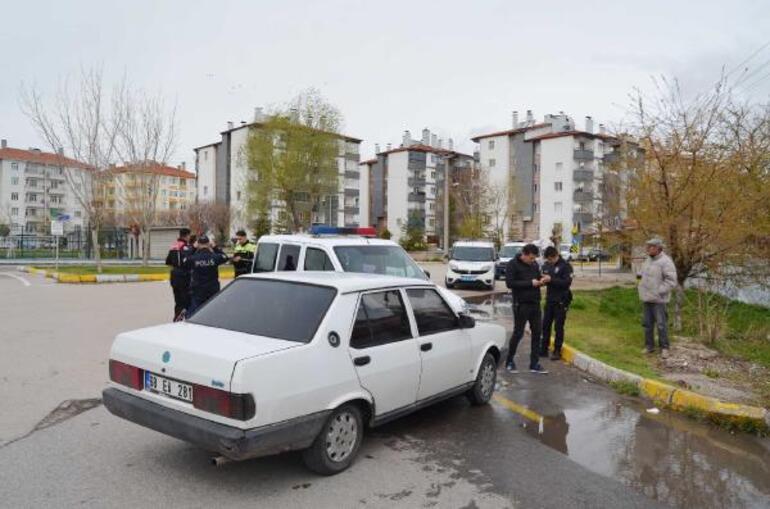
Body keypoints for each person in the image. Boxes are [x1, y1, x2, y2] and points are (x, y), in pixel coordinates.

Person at [505, 243, 549, 374]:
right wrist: (530, 283)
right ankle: (509, 361)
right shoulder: (512, 264)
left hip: (535, 302)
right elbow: (510, 283)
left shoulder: (534, 265)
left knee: (537, 333)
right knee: (518, 333)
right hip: (521, 304)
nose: (532, 260)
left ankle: (534, 363)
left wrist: (543, 279)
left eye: (534, 258)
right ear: (524, 254)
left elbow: (537, 278)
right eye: (530, 258)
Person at [637, 238, 678, 358]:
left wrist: (659, 291)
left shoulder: (666, 262)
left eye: (652, 247)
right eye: (648, 246)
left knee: (661, 324)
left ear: (659, 248)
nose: (649, 249)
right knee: (647, 324)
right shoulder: (647, 260)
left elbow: (671, 281)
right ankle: (649, 346)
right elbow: (641, 274)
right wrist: (639, 283)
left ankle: (664, 348)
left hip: (659, 300)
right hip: (647, 298)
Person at [541, 245, 574, 360]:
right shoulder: (548, 265)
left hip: (561, 301)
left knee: (558, 327)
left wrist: (551, 280)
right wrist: (543, 280)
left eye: (550, 259)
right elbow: (546, 277)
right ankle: (544, 348)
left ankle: (557, 351)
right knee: (545, 325)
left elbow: (566, 283)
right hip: (550, 300)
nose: (548, 262)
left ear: (554, 256)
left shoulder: (566, 266)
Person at [184, 235, 229, 315]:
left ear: (198, 244)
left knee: (196, 312)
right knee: (212, 311)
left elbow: (184, 260)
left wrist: (193, 248)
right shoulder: (215, 257)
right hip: (212, 289)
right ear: (208, 244)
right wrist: (215, 247)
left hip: (198, 289)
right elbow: (225, 257)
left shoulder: (194, 258)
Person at [165, 228, 195, 321]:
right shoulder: (185, 247)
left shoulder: (173, 246)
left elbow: (168, 261)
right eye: (189, 236)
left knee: (177, 300)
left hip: (174, 276)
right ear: (187, 236)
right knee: (186, 300)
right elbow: (188, 260)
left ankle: (176, 318)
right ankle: (185, 319)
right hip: (184, 276)